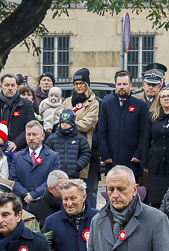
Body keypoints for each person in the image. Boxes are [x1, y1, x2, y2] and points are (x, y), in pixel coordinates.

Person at [97, 70, 149, 184]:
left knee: (131, 191)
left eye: (124, 84)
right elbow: (101, 131)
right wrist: (105, 155)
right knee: (113, 191)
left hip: (132, 159)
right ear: (115, 86)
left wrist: (139, 154)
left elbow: (144, 133)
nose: (122, 87)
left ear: (131, 86)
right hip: (112, 158)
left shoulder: (140, 105)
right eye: (119, 84)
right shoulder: (107, 104)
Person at [63, 69, 101, 198]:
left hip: (88, 150)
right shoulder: (67, 102)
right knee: (71, 191)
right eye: (76, 83)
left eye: (81, 83)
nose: (78, 86)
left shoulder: (94, 102)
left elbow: (87, 124)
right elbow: (59, 121)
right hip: (68, 150)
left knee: (89, 191)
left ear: (87, 84)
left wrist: (68, 123)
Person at [11, 121, 61, 203]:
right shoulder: (17, 156)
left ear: (43, 136)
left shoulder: (53, 157)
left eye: (34, 134)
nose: (31, 138)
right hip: (23, 204)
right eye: (28, 134)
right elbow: (13, 180)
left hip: (44, 203)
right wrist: (25, 194)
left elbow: (53, 180)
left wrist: (34, 194)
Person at [0, 74, 34, 152]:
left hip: (19, 150)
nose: (10, 88)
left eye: (12, 85)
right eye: (7, 85)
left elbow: (30, 127)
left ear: (17, 87)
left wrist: (16, 143)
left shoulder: (26, 104)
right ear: (1, 87)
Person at [44, 110, 90, 183]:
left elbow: (86, 154)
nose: (65, 125)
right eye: (62, 122)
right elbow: (46, 153)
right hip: (56, 176)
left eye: (67, 123)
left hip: (73, 176)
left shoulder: (80, 138)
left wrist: (78, 165)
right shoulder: (52, 138)